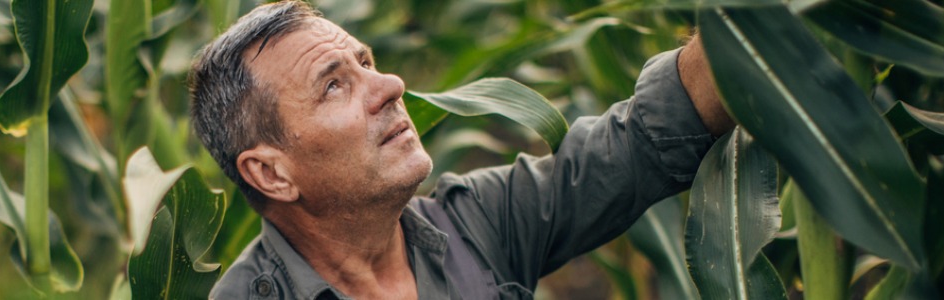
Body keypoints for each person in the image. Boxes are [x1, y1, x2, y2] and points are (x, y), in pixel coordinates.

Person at [189, 1, 732, 299]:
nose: (391, 85)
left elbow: (643, 140)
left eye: (368, 63)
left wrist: (753, 28)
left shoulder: (476, 223)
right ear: (271, 173)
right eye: (334, 85)